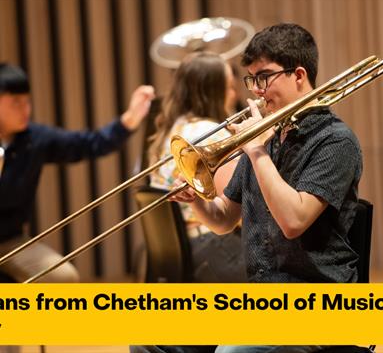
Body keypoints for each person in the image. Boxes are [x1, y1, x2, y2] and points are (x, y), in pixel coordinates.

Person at [132, 23, 363, 353]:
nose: (255, 90)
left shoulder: (334, 141)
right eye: (251, 79)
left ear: (299, 75)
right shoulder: (268, 138)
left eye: (264, 77)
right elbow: (224, 219)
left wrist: (255, 149)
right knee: (149, 340)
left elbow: (294, 221)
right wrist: (198, 199)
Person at [0, 62, 155, 283]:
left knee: (64, 277)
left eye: (27, 101)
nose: (25, 110)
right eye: (16, 102)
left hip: (10, 240)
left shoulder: (34, 139)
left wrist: (130, 119)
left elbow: (89, 144)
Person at [148, 51, 247, 283]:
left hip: (185, 251)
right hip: (215, 247)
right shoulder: (210, 133)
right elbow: (233, 208)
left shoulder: (170, 131)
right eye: (230, 87)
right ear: (212, 91)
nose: (234, 94)